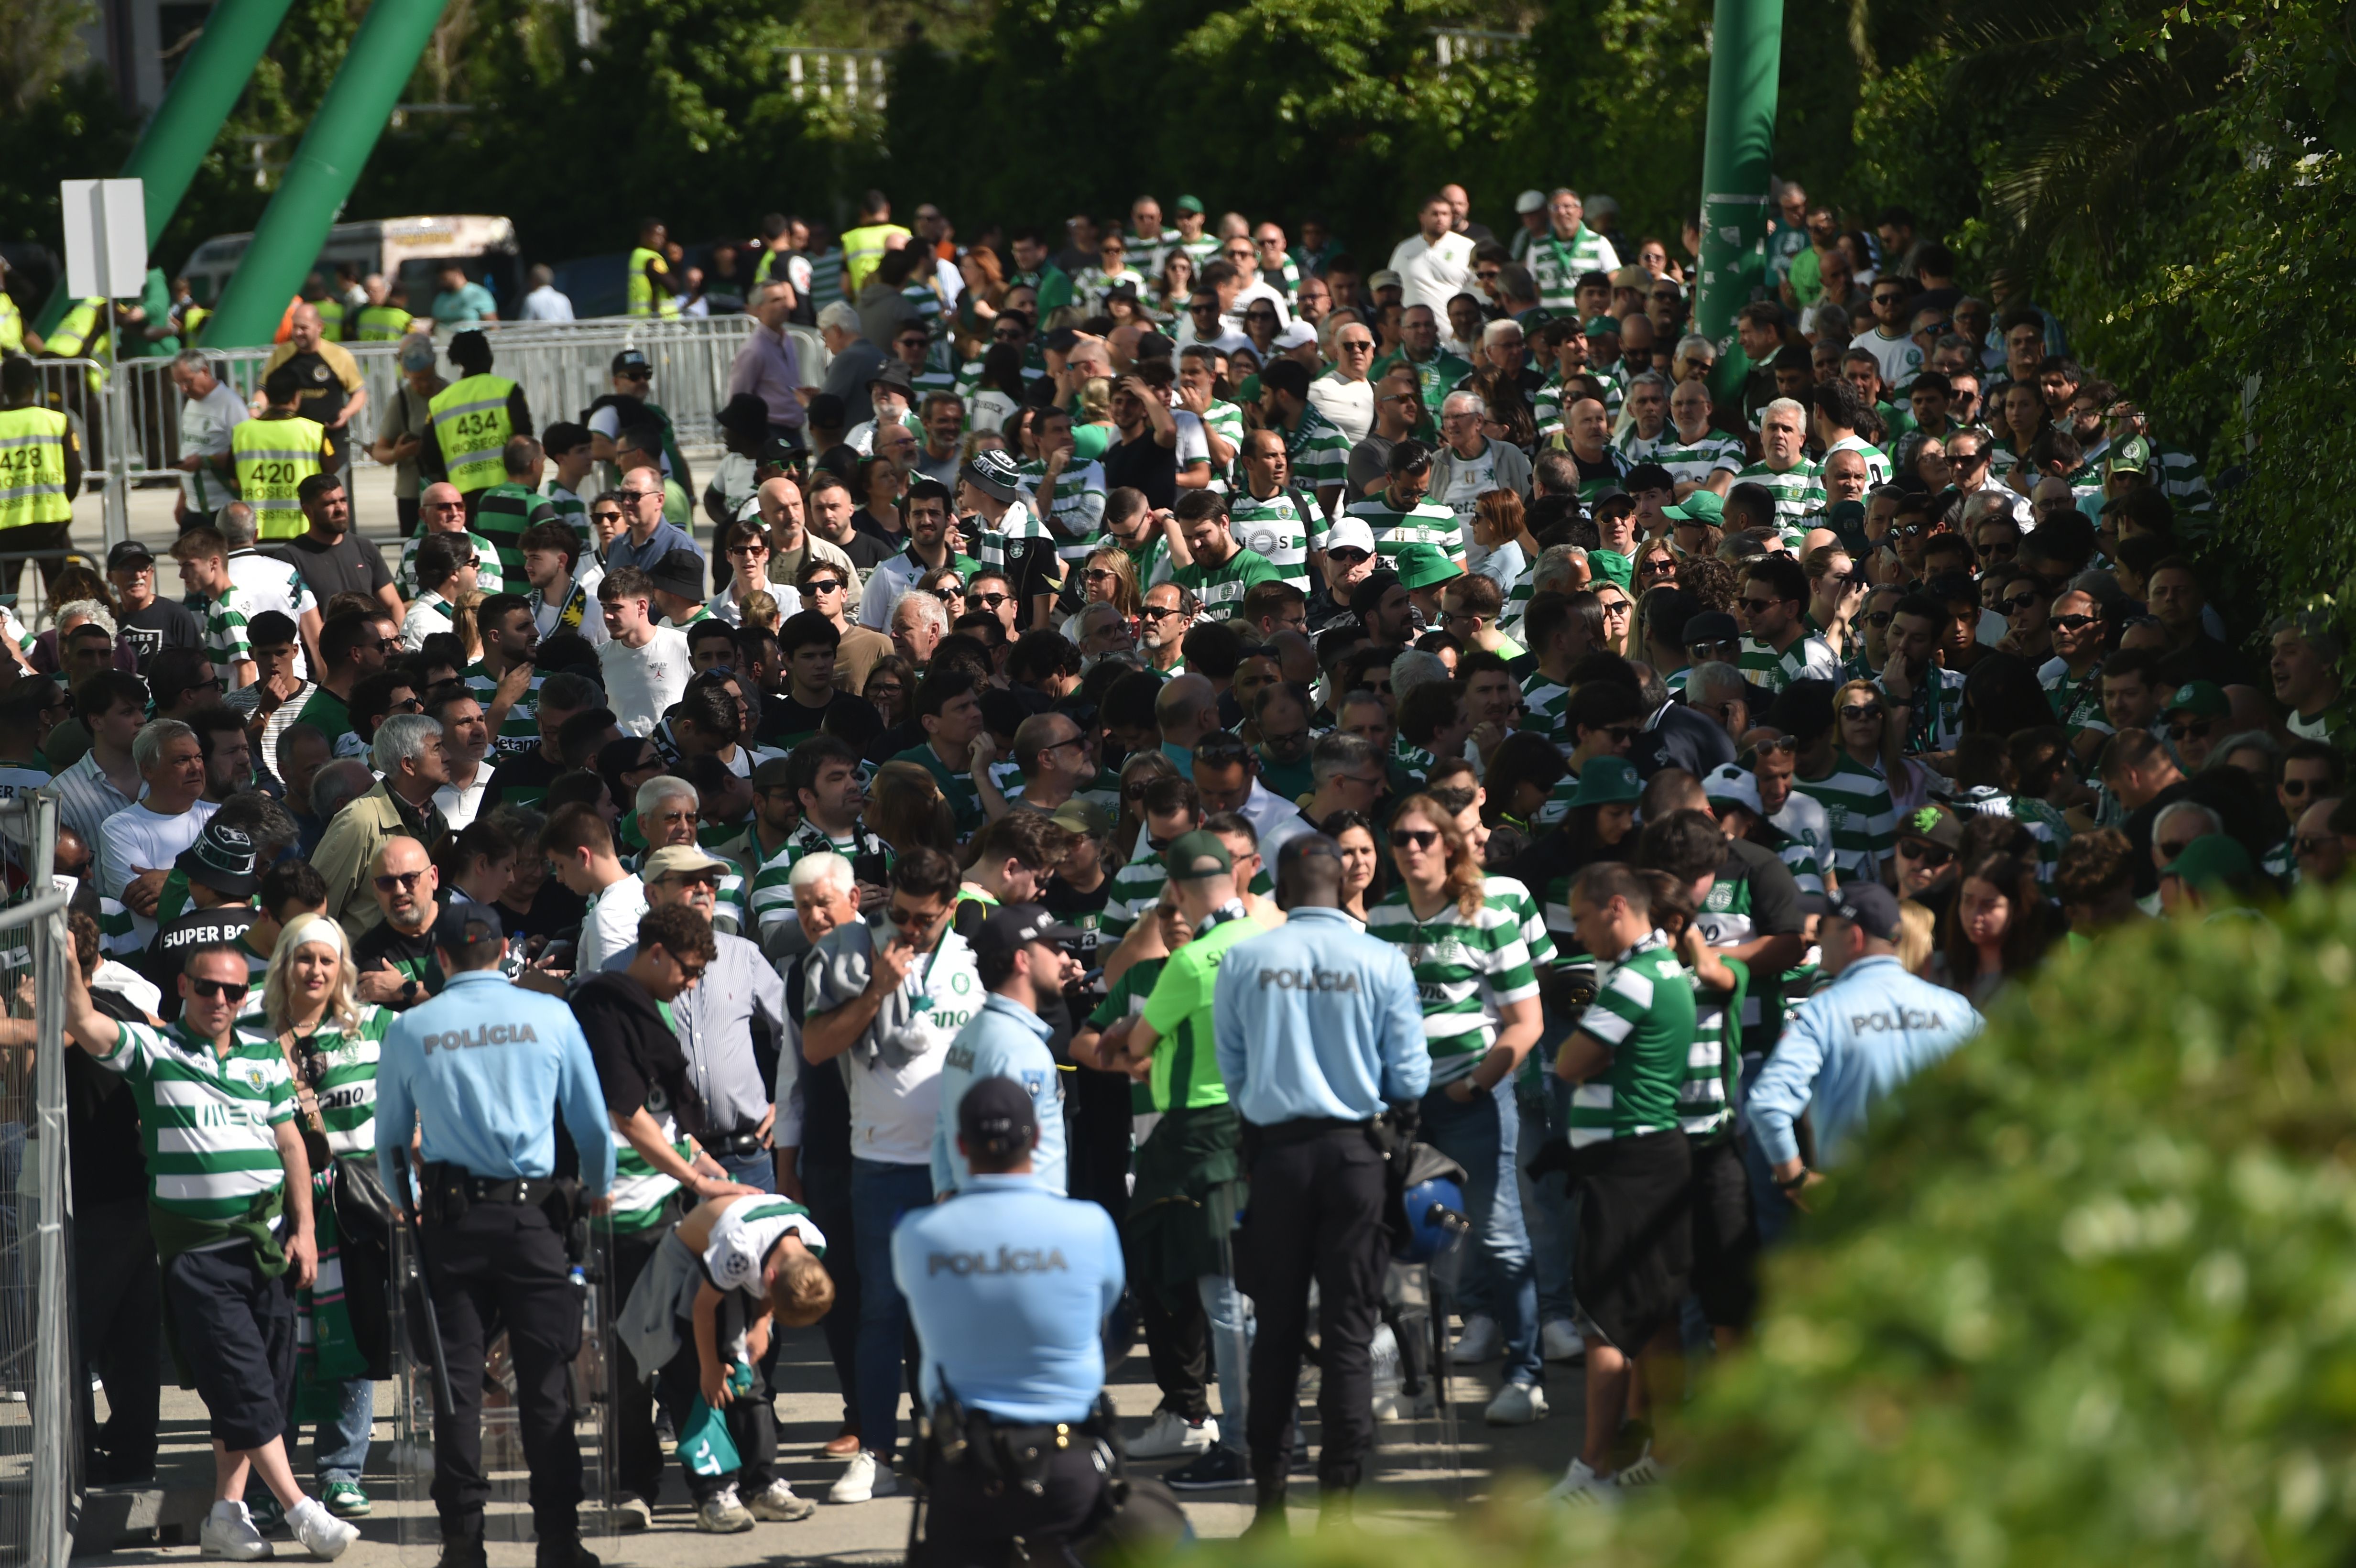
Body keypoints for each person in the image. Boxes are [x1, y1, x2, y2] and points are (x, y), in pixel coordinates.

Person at [60, 939, 361, 1563]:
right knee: (242, 1379)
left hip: (270, 1243)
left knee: (266, 1386)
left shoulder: (263, 1057)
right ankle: (302, 1508)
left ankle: (227, 1513)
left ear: (244, 996)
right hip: (198, 1252)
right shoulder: (156, 1049)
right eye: (206, 989)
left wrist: (305, 1231)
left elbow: (291, 1148)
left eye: (231, 991)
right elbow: (85, 1025)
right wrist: (66, 969)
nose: (219, 1001)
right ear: (183, 988)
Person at [372, 901, 614, 1568]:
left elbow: (390, 1142)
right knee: (547, 1387)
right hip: (536, 1221)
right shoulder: (550, 1015)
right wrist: (594, 1192)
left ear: (441, 958)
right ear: (505, 949)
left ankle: (463, 1543)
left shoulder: (413, 1028)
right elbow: (592, 1129)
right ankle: (559, 1541)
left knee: (456, 1391)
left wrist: (408, 1207)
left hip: (453, 1226)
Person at [1212, 833, 1429, 1527]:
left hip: (1276, 1157)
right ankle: (1339, 1513)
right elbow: (1412, 1076)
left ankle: (1271, 1511)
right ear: (1341, 886)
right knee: (1348, 1334)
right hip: (1356, 1157)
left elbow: (1234, 1071)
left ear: (1279, 889)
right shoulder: (1380, 959)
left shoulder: (1245, 958)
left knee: (1274, 1332)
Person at [1088, 831, 1268, 1486]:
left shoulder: (1194, 965)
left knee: (1224, 1298)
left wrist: (1120, 1039)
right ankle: (1279, 1433)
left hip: (1200, 1137)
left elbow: (1133, 1046)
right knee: (1255, 1294)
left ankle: (1249, 1442)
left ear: (1176, 891)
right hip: (1265, 1128)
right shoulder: (1267, 946)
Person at [797, 846, 978, 1502]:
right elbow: (816, 1047)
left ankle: (942, 1451)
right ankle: (876, 1449)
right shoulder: (849, 950)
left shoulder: (971, 954)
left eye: (924, 919)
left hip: (959, 1169)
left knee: (950, 1316)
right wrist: (878, 989)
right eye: (898, 913)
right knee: (880, 1310)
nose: (908, 928)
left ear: (951, 909)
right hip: (881, 1164)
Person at [894, 1077, 1125, 1562]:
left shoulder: (916, 1235)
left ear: (959, 1145)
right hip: (1068, 1466)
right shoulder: (1090, 1224)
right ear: (1038, 1138)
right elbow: (1102, 1312)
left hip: (964, 1471)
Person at [247, 913, 394, 1522]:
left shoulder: (376, 1026)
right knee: (275, 1344)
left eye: (327, 961)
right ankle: (268, 1486)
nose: (315, 971)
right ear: (284, 962)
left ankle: (340, 1473)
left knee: (350, 1340)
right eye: (304, 958)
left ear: (343, 971)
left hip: (353, 1208)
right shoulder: (251, 1029)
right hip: (274, 1213)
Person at [1745, 883, 1983, 1188]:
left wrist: (1795, 1180)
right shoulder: (1957, 1010)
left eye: (1822, 927)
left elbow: (1767, 1104)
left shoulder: (1821, 1014)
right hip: (1943, 1201)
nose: (1816, 936)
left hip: (1859, 1207)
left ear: (1853, 937)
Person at [928, 903, 1082, 1197]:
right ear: (1023, 961)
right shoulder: (1020, 1050)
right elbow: (1013, 1154)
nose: (1065, 958)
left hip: (975, 1210)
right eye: (1053, 947)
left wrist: (946, 1195)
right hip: (1027, 1222)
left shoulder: (968, 1036)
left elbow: (942, 1127)